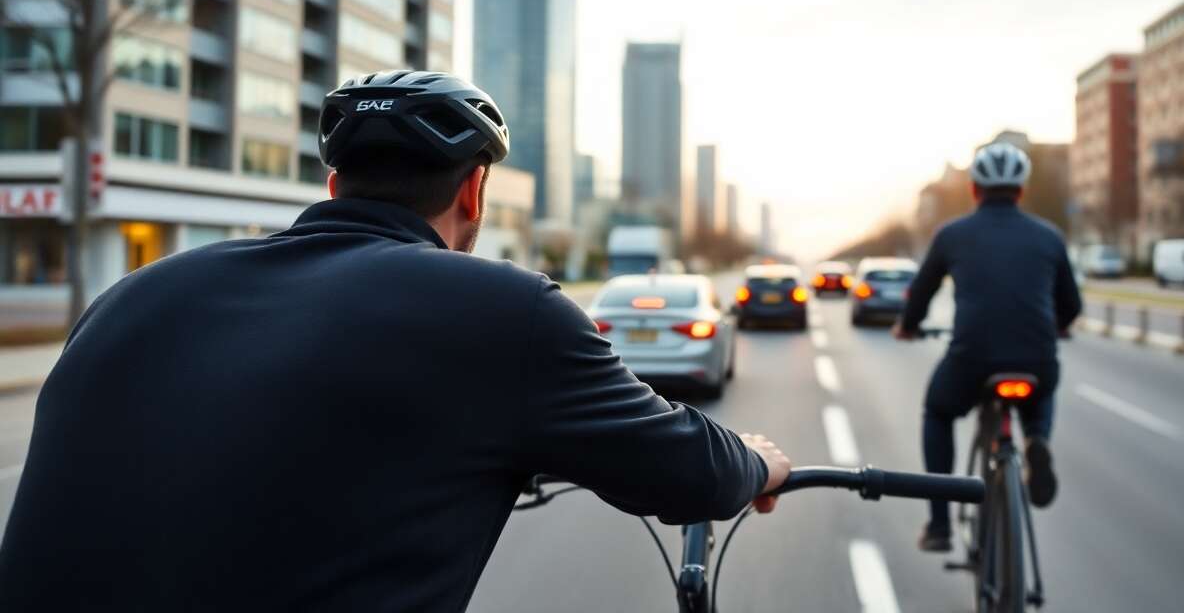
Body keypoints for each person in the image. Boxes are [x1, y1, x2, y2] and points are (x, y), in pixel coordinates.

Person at [0, 71, 791, 611]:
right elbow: (689, 472)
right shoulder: (502, 309)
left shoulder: (134, 295)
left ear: (334, 184)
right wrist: (759, 461)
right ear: (474, 192)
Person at [894, 141, 1081, 553]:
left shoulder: (951, 235)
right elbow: (1072, 305)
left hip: (972, 358)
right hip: (1035, 357)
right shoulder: (1049, 236)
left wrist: (907, 327)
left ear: (974, 190)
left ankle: (940, 525)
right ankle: (1036, 439)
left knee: (938, 412)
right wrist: (1060, 326)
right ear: (1022, 190)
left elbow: (921, 294)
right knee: (1043, 383)